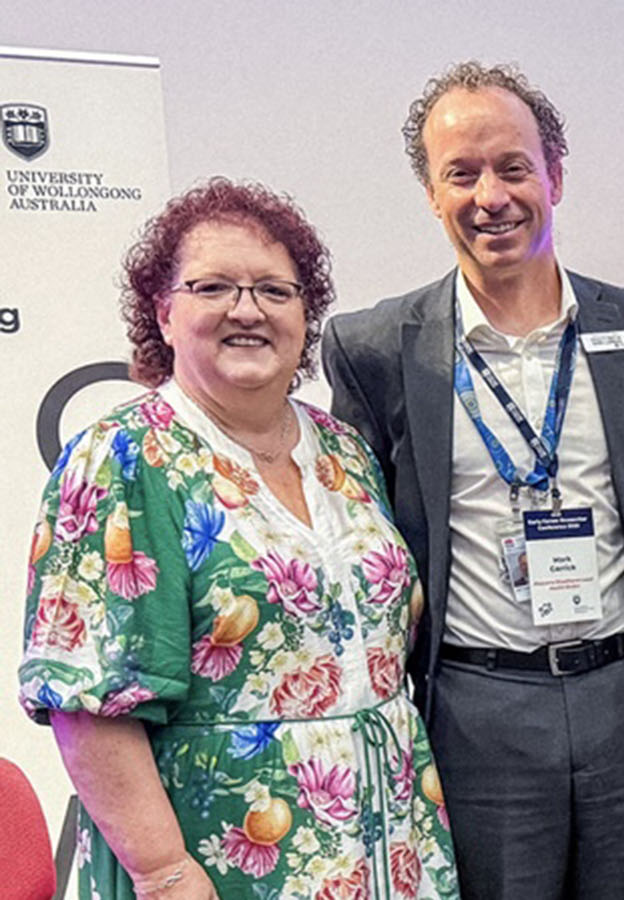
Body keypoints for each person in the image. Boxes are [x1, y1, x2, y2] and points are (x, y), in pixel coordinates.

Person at [17, 178, 458, 898]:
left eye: (274, 291)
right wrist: (165, 875)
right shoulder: (123, 460)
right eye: (213, 286)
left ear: (305, 316)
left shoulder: (343, 451)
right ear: (162, 312)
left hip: (389, 845)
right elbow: (87, 704)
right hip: (217, 861)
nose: (247, 309)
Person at [321, 61, 624, 899]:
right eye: (462, 173)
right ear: (431, 192)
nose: (490, 195)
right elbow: (361, 536)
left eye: (513, 167)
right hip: (476, 704)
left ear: (554, 175)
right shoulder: (375, 346)